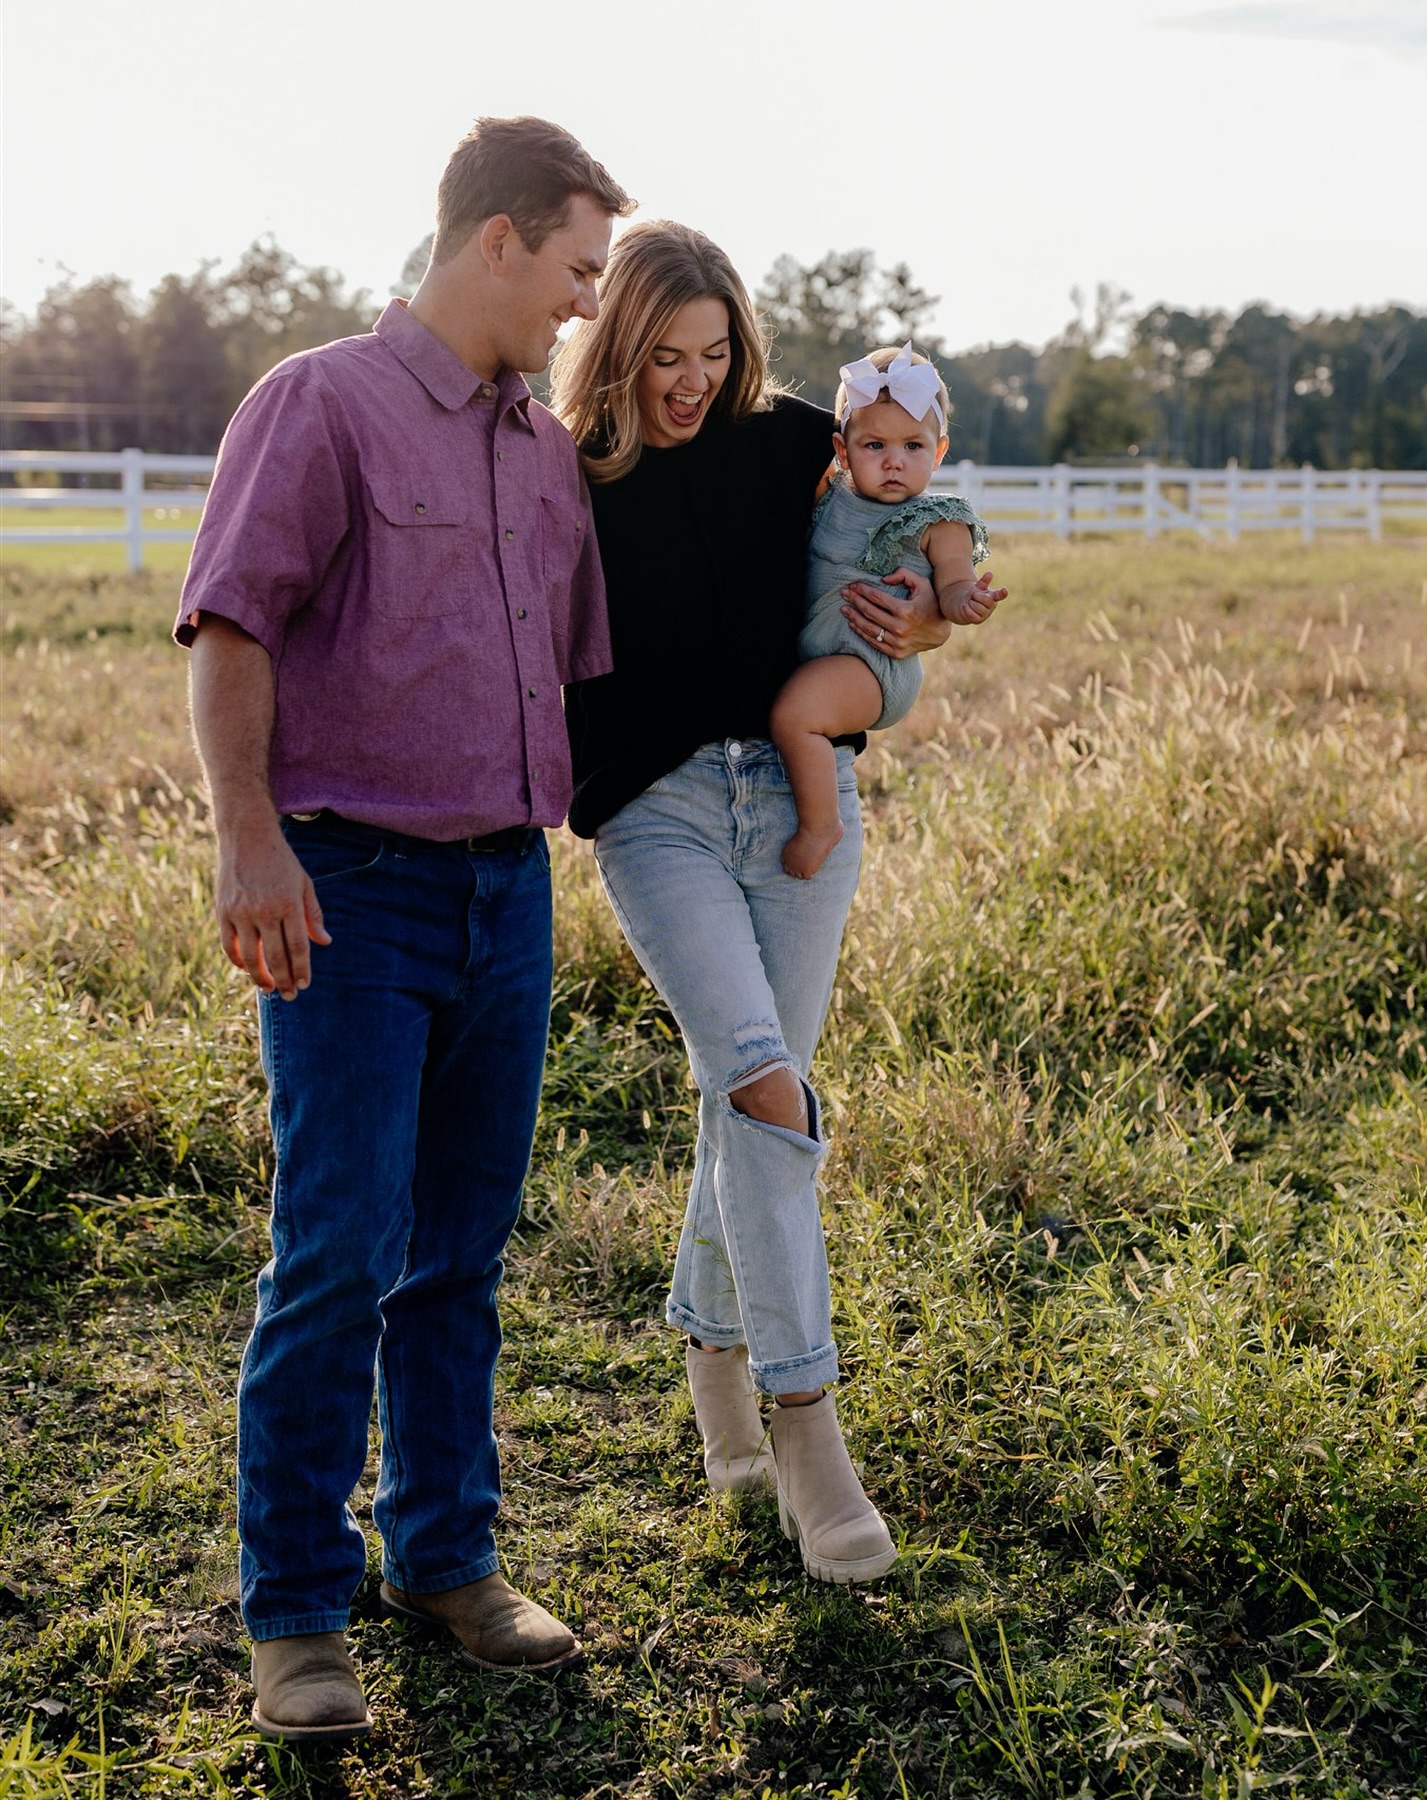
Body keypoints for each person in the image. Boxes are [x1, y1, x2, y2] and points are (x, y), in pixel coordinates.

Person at [175, 116, 633, 1742]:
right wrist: (249, 846)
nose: (586, 304)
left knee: (460, 1255)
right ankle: (296, 1615)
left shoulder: (540, 449)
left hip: (510, 895)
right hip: (348, 895)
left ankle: (444, 1555)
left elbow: (594, 663)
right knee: (340, 1253)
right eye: (579, 269)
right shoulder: (320, 404)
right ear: (496, 240)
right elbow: (231, 629)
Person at [550, 223, 1002, 1586]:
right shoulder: (564, 474)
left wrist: (925, 615)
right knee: (758, 1084)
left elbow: (911, 510)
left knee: (761, 1095)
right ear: (615, 349)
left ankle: (714, 1370)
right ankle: (810, 1434)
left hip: (804, 807)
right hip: (661, 814)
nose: (692, 382)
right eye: (663, 357)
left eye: (716, 353)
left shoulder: (794, 440)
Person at [772, 343, 1007, 878]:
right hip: (827, 651)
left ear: (939, 451)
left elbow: (952, 583)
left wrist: (966, 601)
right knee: (795, 703)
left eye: (913, 446)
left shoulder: (937, 520)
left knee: (795, 715)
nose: (894, 460)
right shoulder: (830, 498)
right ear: (843, 448)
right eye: (875, 443)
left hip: (874, 664)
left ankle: (820, 826)